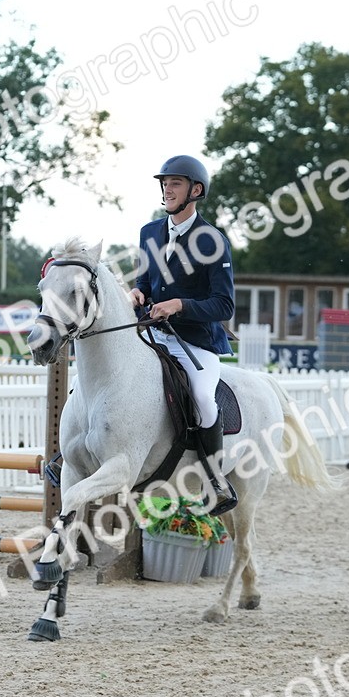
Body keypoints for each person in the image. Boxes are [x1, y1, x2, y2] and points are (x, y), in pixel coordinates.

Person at [128, 154, 237, 515]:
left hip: (196, 341)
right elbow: (145, 281)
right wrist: (137, 293)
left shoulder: (214, 242)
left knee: (205, 398)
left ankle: (216, 482)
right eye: (164, 183)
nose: (166, 189)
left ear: (196, 190)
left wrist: (179, 305)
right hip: (154, 335)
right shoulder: (149, 232)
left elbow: (224, 306)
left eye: (174, 183)